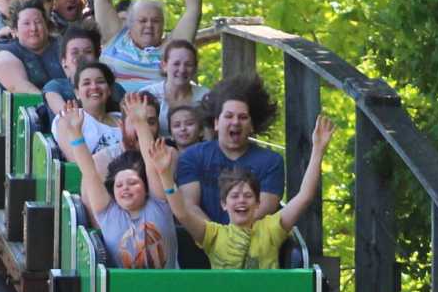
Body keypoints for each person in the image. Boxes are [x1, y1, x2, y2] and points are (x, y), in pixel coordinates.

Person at [149, 115, 332, 270]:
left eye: (248, 196)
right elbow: (181, 212)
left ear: (258, 203)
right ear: (224, 204)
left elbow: (304, 197)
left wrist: (318, 151)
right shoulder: (213, 235)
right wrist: (165, 174)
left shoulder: (271, 229)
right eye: (234, 196)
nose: (241, 201)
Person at [53, 102, 175, 269]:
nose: (125, 188)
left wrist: (140, 123)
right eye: (119, 185)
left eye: (132, 183)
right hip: (124, 288)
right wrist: (75, 133)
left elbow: (150, 164)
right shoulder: (108, 213)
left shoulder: (159, 204)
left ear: (146, 188)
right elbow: (90, 172)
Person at [176, 73, 284, 223]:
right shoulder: (192, 157)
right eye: (228, 116)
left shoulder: (272, 162)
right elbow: (189, 205)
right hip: (203, 240)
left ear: (252, 125)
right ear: (216, 123)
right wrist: (216, 239)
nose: (235, 122)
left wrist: (232, 239)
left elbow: (265, 209)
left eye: (243, 117)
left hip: (254, 241)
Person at [0, 1, 71, 97]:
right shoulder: (6, 52)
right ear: (15, 30)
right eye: (26, 23)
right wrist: (53, 105)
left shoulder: (62, 45)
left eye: (38, 22)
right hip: (35, 108)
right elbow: (19, 87)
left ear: (46, 26)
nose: (33, 28)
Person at [54, 62, 126, 170]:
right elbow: (75, 165)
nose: (94, 87)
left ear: (110, 89)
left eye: (100, 82)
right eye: (86, 83)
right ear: (77, 92)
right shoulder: (68, 118)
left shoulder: (124, 119)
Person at [157, 35, 205, 120]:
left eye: (188, 64)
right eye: (176, 64)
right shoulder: (150, 95)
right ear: (164, 66)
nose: (182, 70)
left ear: (195, 68)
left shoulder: (204, 97)